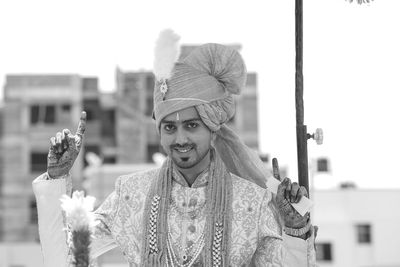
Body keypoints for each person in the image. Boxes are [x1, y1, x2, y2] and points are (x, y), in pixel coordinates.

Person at [33, 29, 317, 267]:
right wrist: (56, 179)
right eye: (170, 127)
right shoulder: (131, 196)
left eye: (191, 125)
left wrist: (295, 230)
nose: (180, 138)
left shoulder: (250, 202)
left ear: (211, 126)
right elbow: (65, 257)